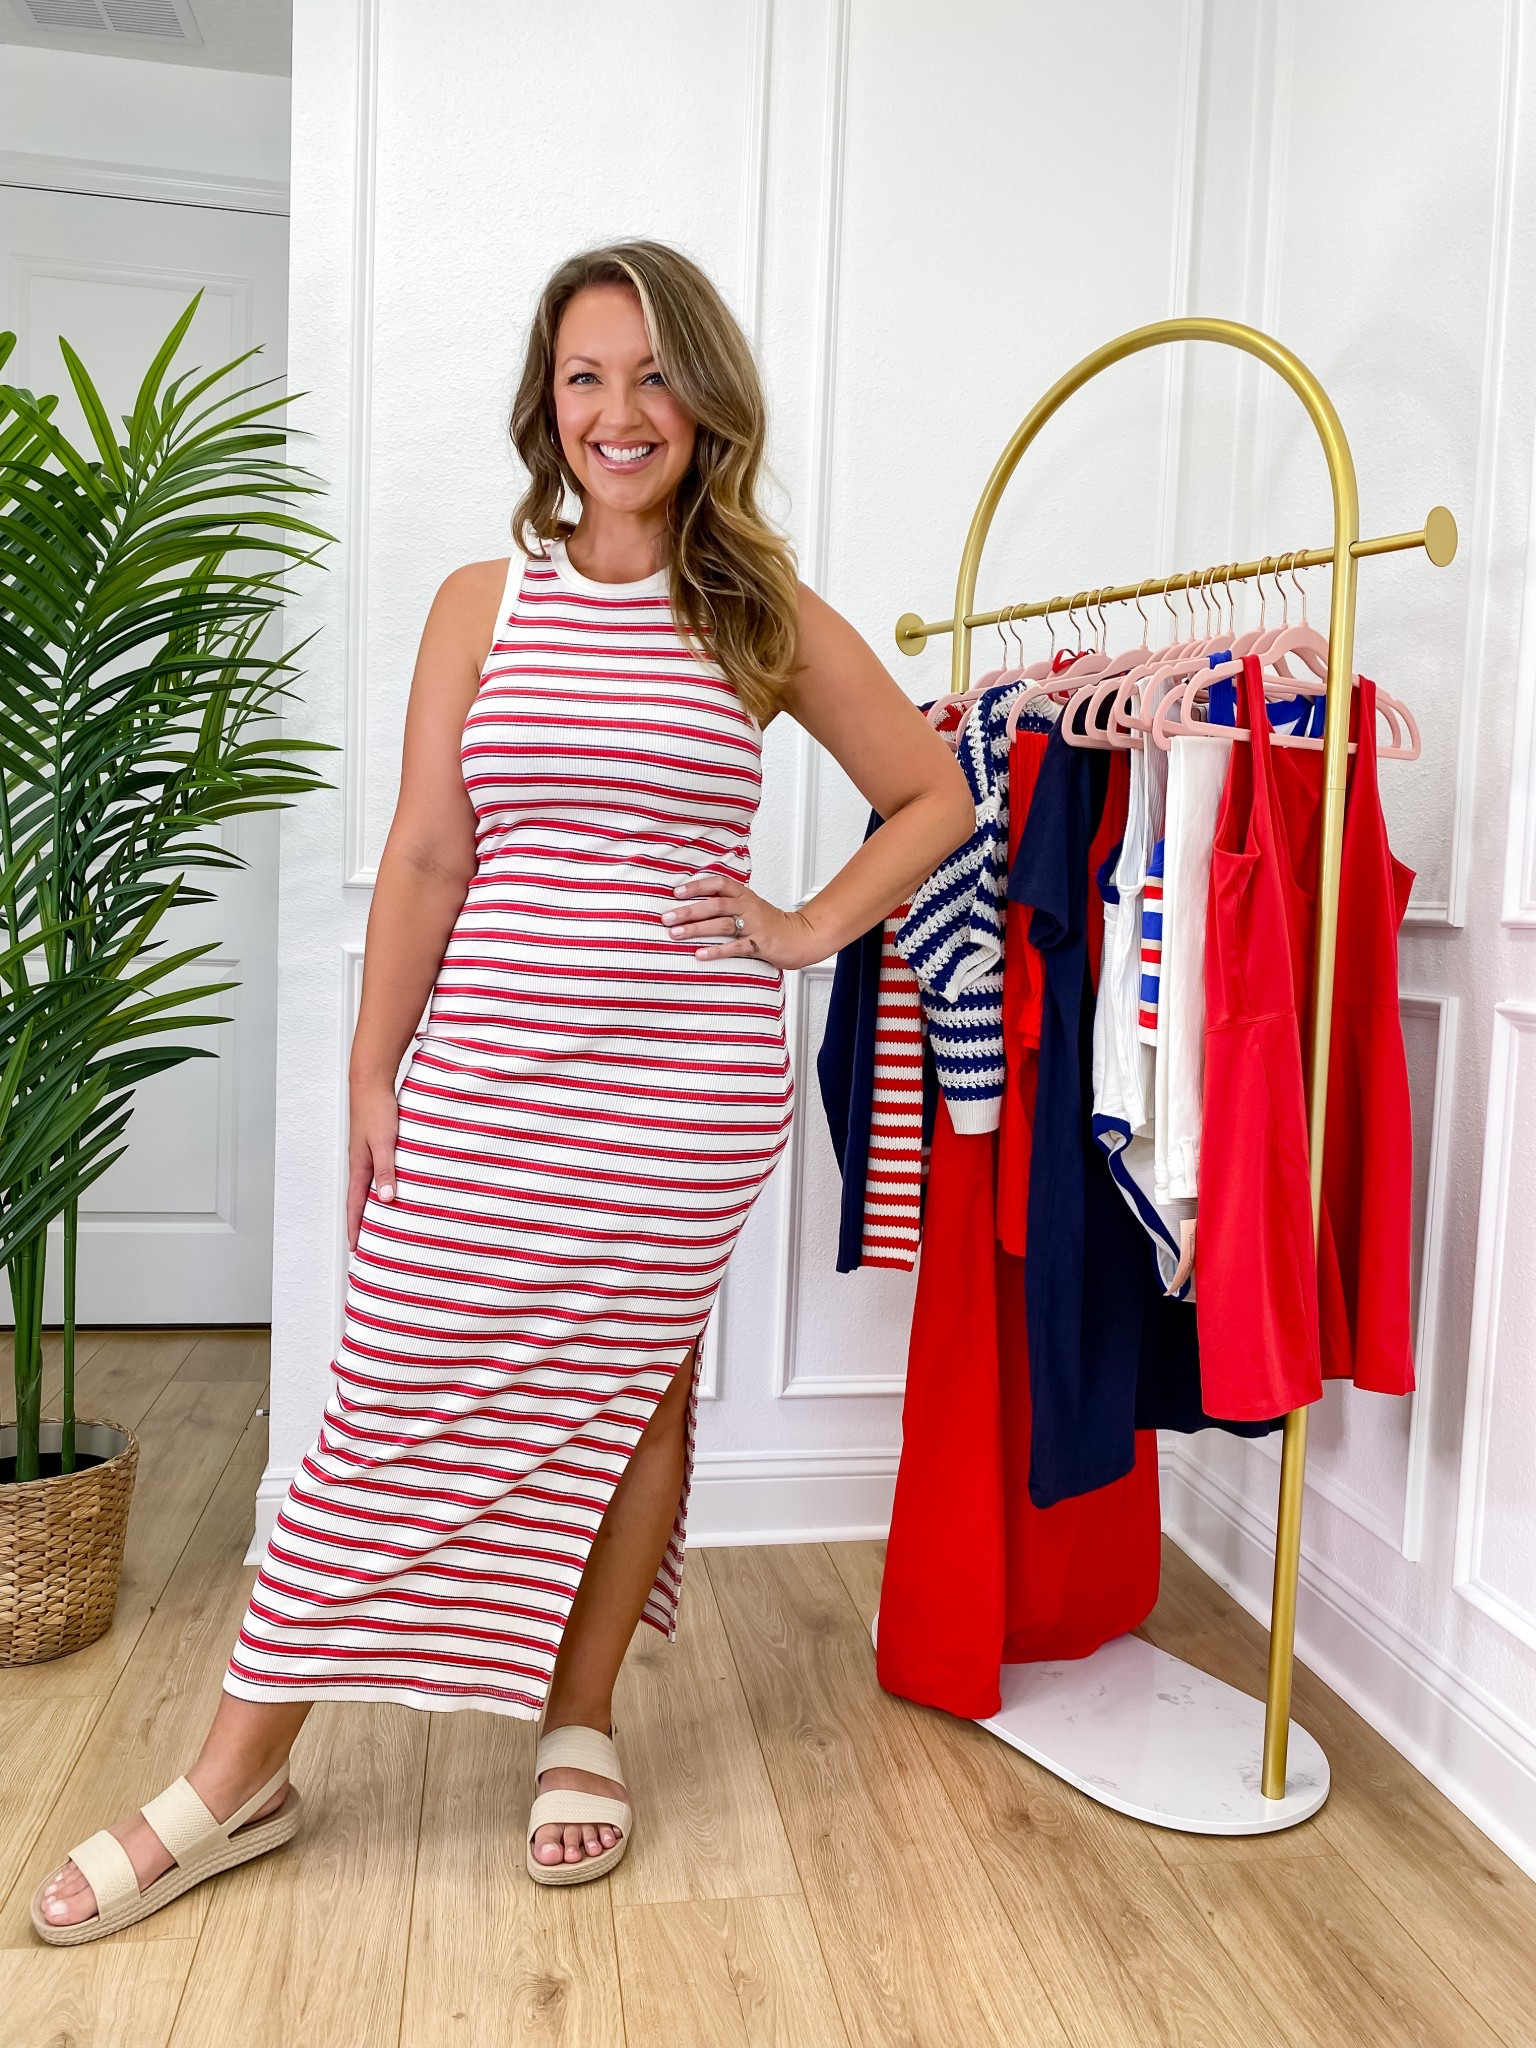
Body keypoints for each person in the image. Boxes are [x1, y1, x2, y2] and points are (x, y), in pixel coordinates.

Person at [32, 239, 972, 1939]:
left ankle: (580, 1722)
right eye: (586, 376)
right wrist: (372, 1067)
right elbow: (426, 852)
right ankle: (234, 1781)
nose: (622, 410)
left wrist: (802, 925)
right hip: (487, 1071)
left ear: (706, 398)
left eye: (655, 374)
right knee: (381, 1400)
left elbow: (934, 795)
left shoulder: (754, 613)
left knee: (637, 1404)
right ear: (549, 403)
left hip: (683, 1090)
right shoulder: (488, 601)